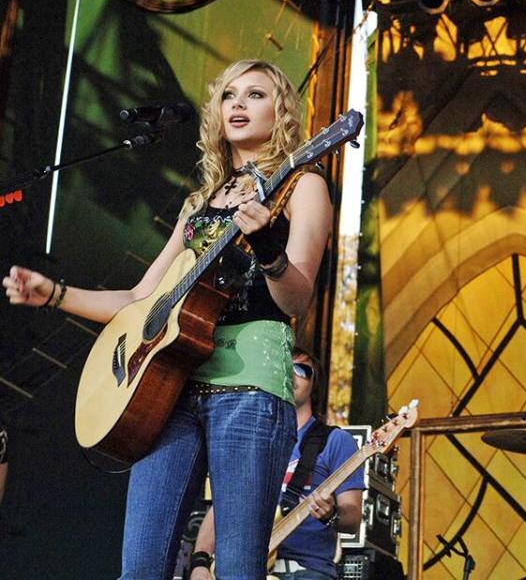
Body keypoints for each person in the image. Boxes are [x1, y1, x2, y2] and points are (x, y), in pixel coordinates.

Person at [3, 59, 333, 579]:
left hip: (248, 387)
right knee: (139, 569)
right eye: (228, 95)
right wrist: (54, 294)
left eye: (255, 94)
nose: (238, 105)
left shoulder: (301, 184)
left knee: (238, 568)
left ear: (282, 111)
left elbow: (296, 299)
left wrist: (268, 245)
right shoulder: (200, 203)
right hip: (170, 387)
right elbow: (141, 297)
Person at [188, 347, 364, 580]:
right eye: (283, 367)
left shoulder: (335, 440)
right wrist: (200, 562)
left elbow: (352, 517)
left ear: (315, 385)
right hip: (241, 566)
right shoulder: (250, 438)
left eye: (301, 370)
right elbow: (222, 506)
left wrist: (330, 513)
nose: (290, 375)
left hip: (303, 571)